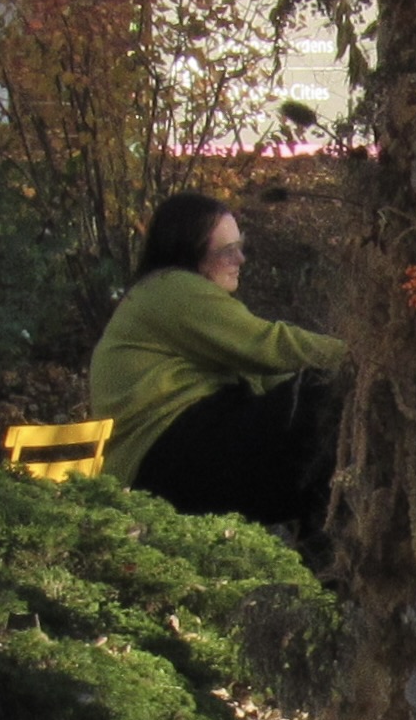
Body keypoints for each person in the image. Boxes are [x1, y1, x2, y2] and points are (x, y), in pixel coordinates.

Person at [88, 192, 342, 527]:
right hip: (161, 460)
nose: (241, 259)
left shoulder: (172, 297)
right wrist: (364, 359)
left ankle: (328, 536)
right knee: (326, 399)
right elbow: (269, 345)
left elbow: (266, 376)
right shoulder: (172, 288)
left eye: (240, 246)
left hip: (181, 451)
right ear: (189, 250)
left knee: (320, 402)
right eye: (226, 250)